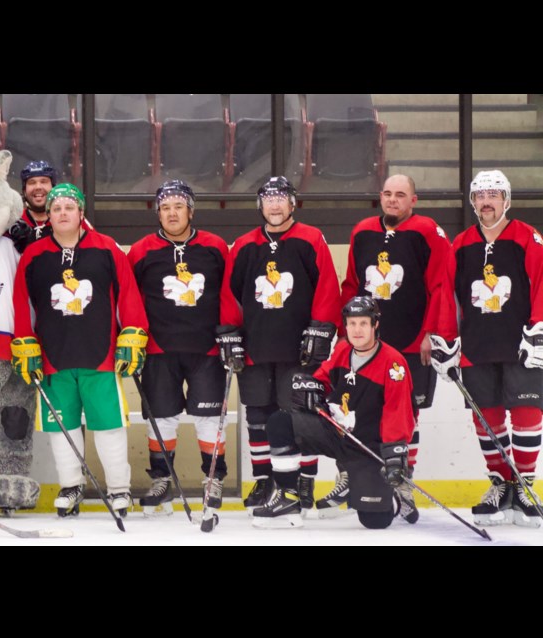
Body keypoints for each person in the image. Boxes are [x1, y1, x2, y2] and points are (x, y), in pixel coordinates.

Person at [12, 183, 148, 516]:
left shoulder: (107, 249)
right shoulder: (34, 255)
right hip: (53, 357)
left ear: (81, 212)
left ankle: (118, 489)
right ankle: (71, 487)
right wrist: (24, 341)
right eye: (56, 209)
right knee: (63, 427)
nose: (62, 213)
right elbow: (21, 304)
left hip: (100, 355)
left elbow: (128, 295)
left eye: (68, 208)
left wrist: (132, 334)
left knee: (108, 424)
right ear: (50, 216)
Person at [330, 174, 456, 516]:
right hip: (367, 347)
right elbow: (352, 284)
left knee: (407, 416)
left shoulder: (428, 231)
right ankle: (356, 476)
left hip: (413, 342)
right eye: (387, 194)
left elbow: (441, 285)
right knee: (358, 410)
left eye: (400, 195)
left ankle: (403, 478)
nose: (392, 200)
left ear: (413, 200)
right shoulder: (362, 230)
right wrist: (345, 333)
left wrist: (433, 332)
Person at [219, 176, 342, 512]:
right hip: (257, 346)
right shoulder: (244, 245)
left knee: (302, 415)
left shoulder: (311, 239)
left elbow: (327, 288)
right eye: (268, 198)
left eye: (280, 198)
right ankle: (265, 481)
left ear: (292, 203)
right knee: (258, 416)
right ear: (261, 205)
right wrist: (229, 334)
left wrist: (320, 329)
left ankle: (304, 481)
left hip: (299, 349)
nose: (274, 204)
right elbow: (230, 294)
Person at [252, 296, 417, 530]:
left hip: (368, 447)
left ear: (375, 325)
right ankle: (288, 498)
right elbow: (322, 380)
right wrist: (309, 389)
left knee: (375, 521)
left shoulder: (393, 364)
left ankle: (393, 496)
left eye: (363, 323)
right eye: (351, 323)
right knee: (281, 423)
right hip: (337, 434)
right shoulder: (342, 352)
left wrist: (393, 453)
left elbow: (398, 412)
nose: (357, 330)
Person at [436, 170, 543, 527]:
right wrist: (446, 338)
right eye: (480, 195)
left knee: (527, 415)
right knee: (488, 419)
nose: (487, 201)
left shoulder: (528, 237)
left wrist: (539, 330)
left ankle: (525, 484)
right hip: (477, 346)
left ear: (506, 200)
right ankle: (500, 484)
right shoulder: (461, 243)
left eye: (494, 194)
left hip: (521, 346)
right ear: (473, 202)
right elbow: (446, 295)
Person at [126, 179, 235, 516]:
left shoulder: (215, 246)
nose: (171, 213)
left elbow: (230, 293)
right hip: (159, 349)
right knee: (161, 417)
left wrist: (230, 335)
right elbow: (129, 299)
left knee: (207, 417)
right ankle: (161, 479)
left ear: (190, 210)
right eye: (165, 208)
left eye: (178, 206)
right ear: (158, 213)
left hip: (206, 350)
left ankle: (213, 477)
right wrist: (132, 339)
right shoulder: (141, 250)